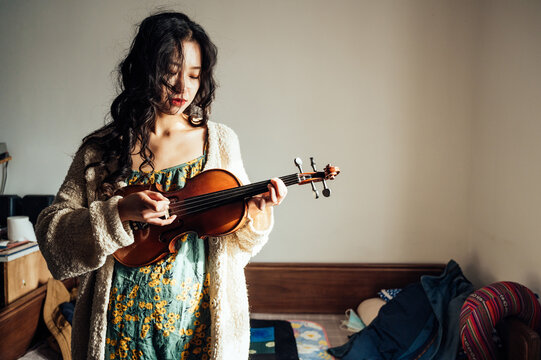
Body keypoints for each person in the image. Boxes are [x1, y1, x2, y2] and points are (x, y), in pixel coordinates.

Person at [36, 11, 287, 360]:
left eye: (195, 75)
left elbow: (237, 247)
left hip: (197, 328)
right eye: (170, 73)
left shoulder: (221, 142)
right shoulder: (100, 149)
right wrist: (119, 212)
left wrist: (256, 213)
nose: (183, 88)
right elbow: (54, 240)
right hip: (117, 332)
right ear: (144, 70)